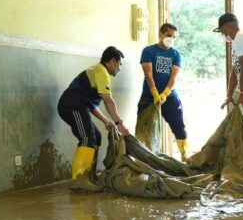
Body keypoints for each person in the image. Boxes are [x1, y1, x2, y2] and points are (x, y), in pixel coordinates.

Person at [57, 46, 129, 191]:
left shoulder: (98, 71)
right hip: (71, 105)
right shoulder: (101, 72)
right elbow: (109, 101)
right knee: (87, 138)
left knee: (96, 137)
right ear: (112, 61)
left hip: (79, 105)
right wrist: (119, 124)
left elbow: (91, 105)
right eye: (119, 64)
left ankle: (89, 175)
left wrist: (106, 121)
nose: (119, 68)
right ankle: (79, 179)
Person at [137, 23, 188, 161]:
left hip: (169, 95)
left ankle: (184, 155)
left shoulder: (175, 54)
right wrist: (154, 92)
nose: (171, 39)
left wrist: (165, 93)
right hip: (149, 95)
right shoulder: (148, 51)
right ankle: (145, 159)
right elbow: (148, 74)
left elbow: (173, 76)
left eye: (174, 37)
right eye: (169, 36)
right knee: (144, 126)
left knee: (178, 125)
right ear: (161, 34)